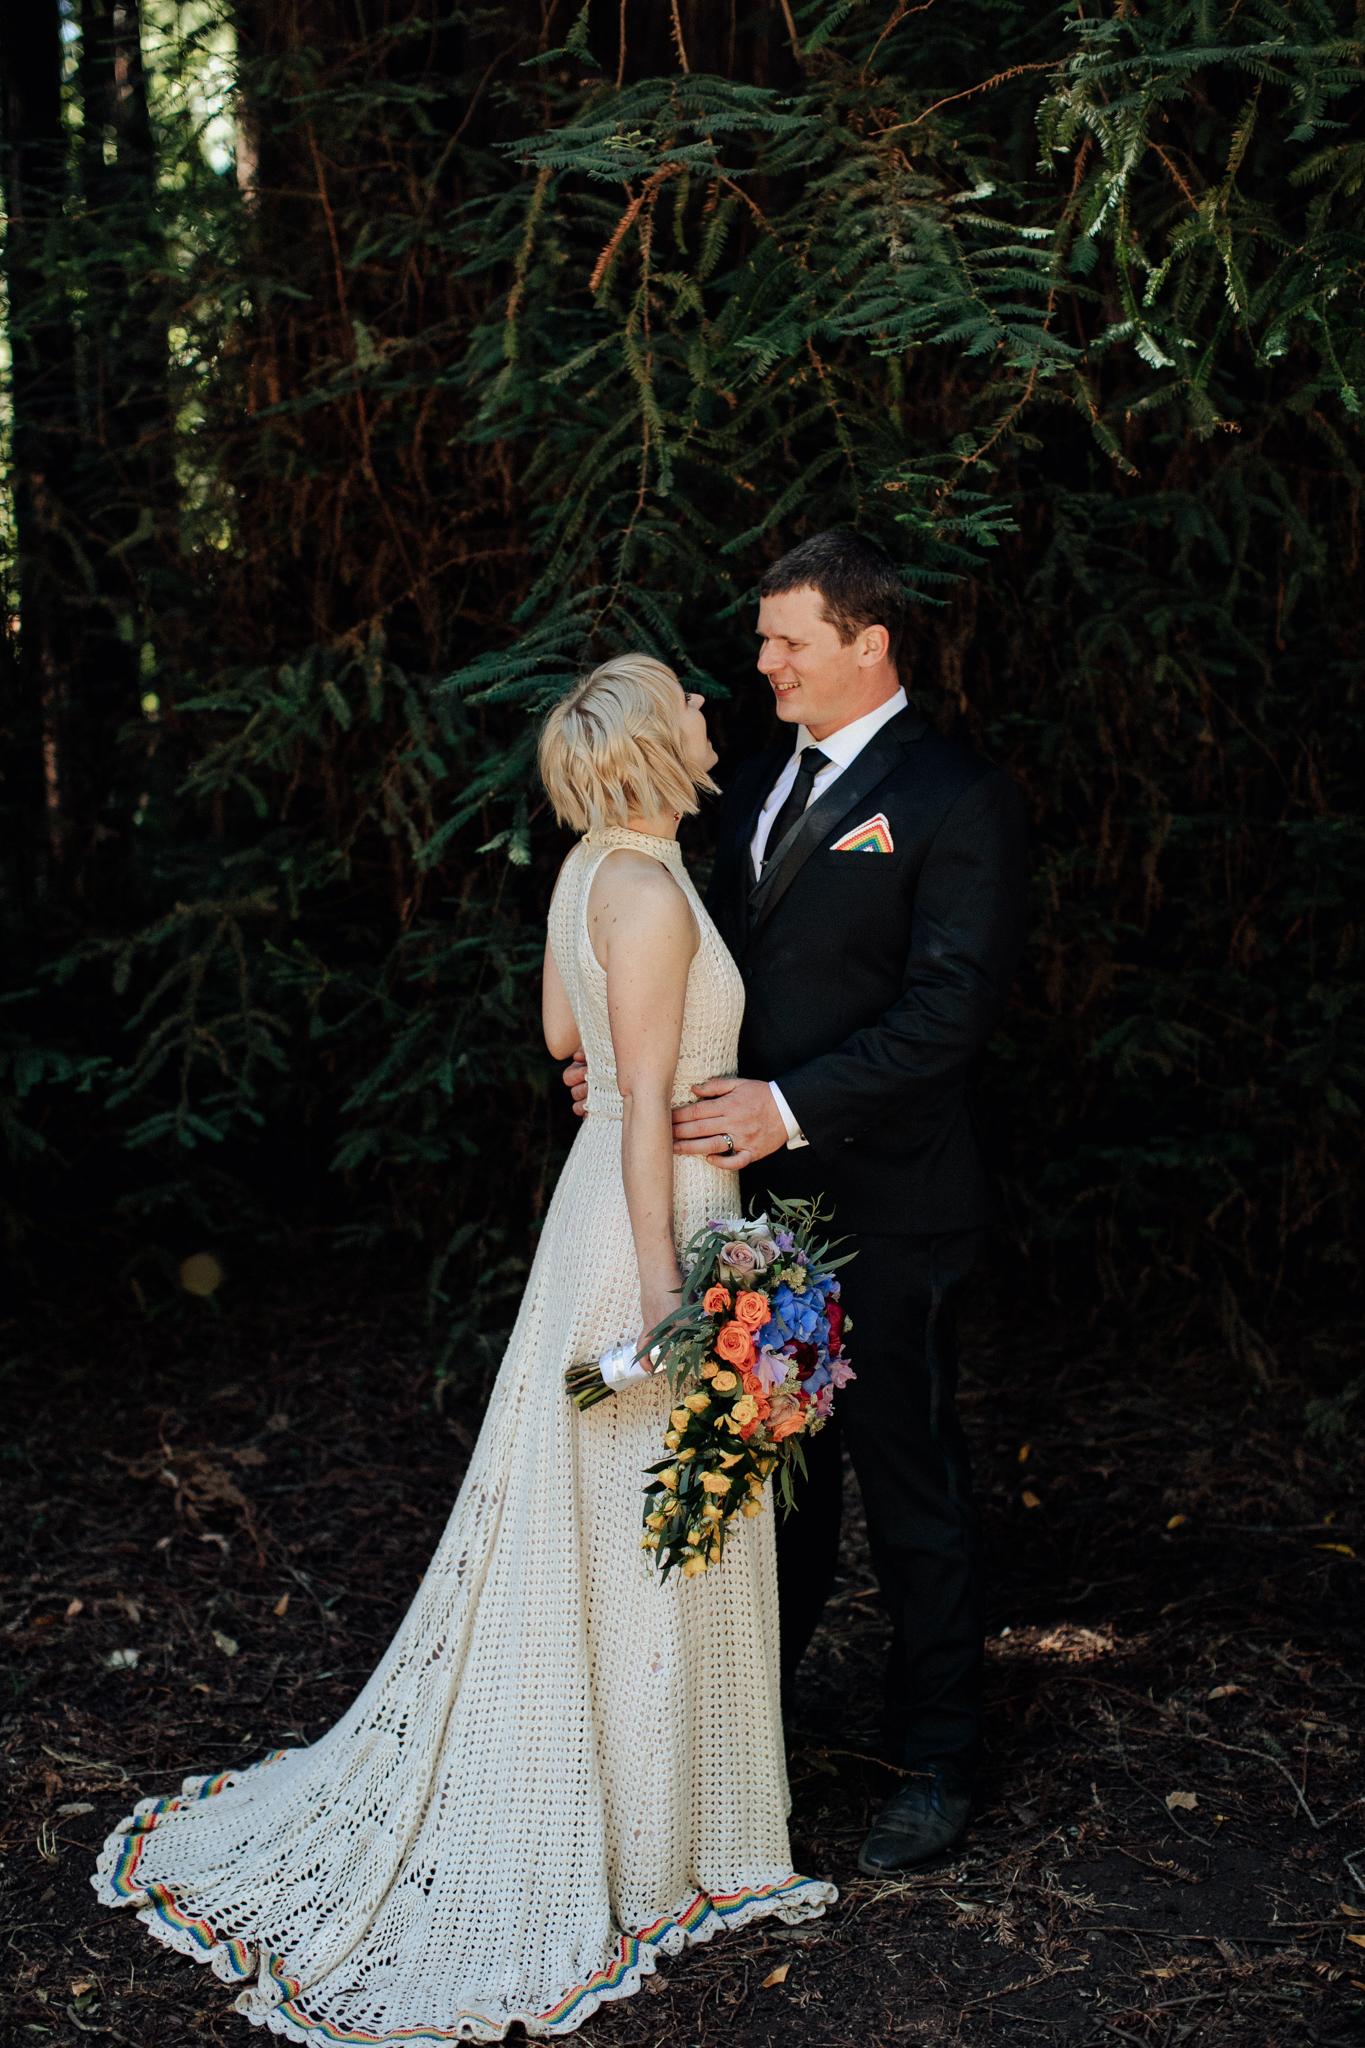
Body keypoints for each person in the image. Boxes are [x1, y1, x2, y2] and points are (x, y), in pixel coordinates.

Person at [92, 655, 834, 2042]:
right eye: (684, 700)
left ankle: (646, 1804)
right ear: (645, 743)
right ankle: (655, 1834)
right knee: (646, 1525)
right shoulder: (653, 893)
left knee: (606, 1523)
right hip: (646, 1220)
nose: (705, 712)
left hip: (599, 1217)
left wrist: (620, 1085)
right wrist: (667, 1296)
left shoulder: (588, 875)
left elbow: (567, 1042)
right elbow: (623, 1107)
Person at [565, 532, 1029, 1873]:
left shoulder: (956, 797)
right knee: (775, 1478)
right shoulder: (757, 776)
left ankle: (934, 1756)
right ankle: (751, 1742)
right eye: (762, 641)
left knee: (908, 1477)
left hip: (889, 1201)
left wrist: (789, 1104)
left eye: (786, 641)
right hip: (747, 1205)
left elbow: (951, 1011)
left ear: (866, 643)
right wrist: (622, 1052)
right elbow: (699, 958)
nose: (760, 662)